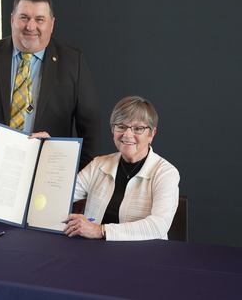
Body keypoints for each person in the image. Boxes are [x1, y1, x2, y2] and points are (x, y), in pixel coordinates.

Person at [0, 0, 100, 208]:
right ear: (12, 19)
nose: (31, 26)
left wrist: (84, 182)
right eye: (24, 18)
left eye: (39, 19)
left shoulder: (72, 61)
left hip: (50, 176)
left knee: (45, 242)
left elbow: (90, 125)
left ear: (51, 23)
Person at [62, 96, 180, 241]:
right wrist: (48, 153)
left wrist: (100, 230)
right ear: (113, 130)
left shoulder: (166, 173)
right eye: (121, 127)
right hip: (93, 253)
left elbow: (158, 226)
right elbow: (60, 194)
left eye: (138, 128)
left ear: (151, 134)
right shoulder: (98, 165)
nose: (127, 134)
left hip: (144, 257)